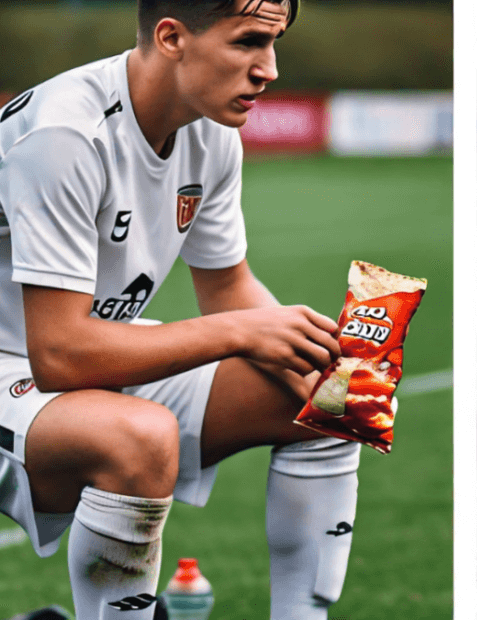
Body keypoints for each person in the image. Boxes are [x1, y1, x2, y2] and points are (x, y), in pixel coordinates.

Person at [0, 1, 368, 618]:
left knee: (327, 407)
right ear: (172, 37)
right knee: (139, 439)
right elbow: (60, 354)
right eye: (249, 41)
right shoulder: (65, 133)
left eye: (275, 43)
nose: (269, 69)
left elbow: (229, 290)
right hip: (37, 357)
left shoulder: (212, 131)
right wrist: (238, 332)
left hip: (64, 356)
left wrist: (329, 370)